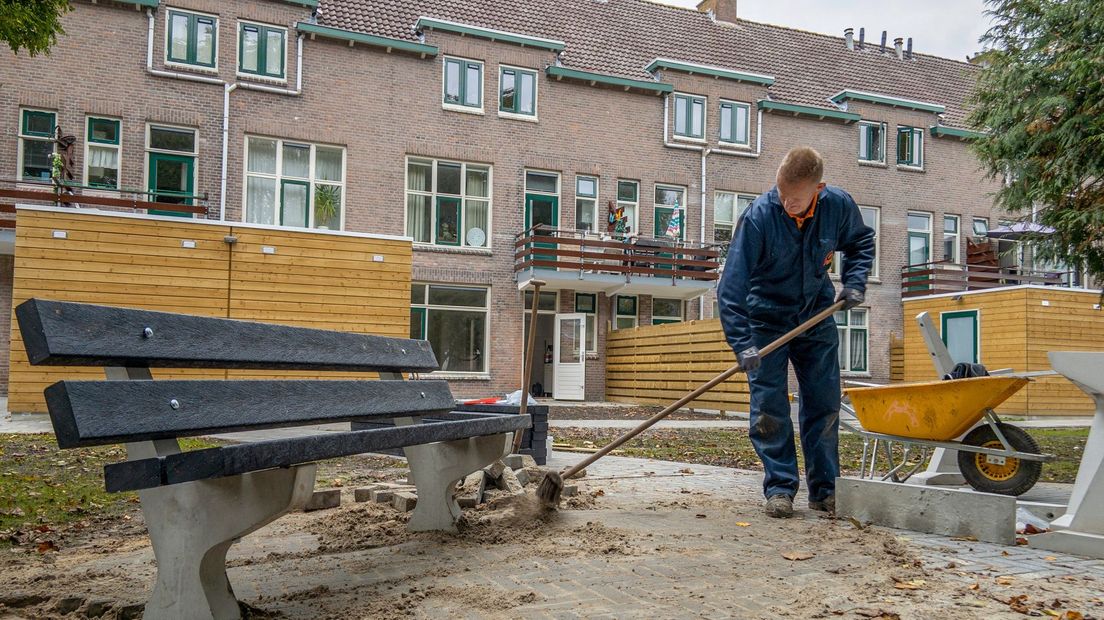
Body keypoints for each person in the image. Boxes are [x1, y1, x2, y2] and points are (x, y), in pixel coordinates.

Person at [718, 146, 875, 518]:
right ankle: (780, 487)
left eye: (796, 198)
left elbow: (860, 242)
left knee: (823, 404)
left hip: (816, 315)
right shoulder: (759, 217)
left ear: (818, 189)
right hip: (765, 321)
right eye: (781, 193)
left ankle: (825, 491)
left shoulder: (837, 205)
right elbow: (730, 288)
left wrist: (854, 282)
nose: (786, 202)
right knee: (769, 407)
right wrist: (743, 345)